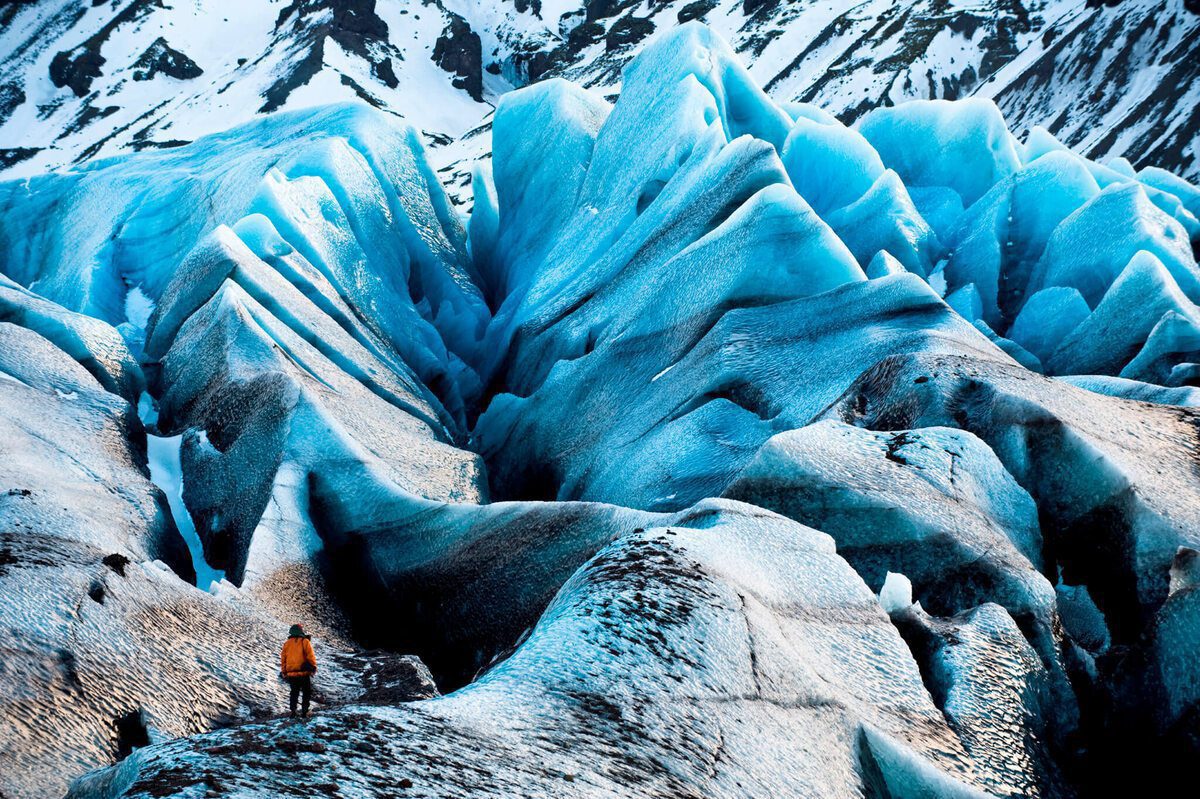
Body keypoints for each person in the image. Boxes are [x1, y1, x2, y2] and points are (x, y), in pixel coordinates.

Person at [279, 623, 317, 718]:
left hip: (291, 674)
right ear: (300, 631)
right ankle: (305, 711)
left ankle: (293, 711)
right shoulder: (305, 641)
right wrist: (313, 667)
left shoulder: (287, 644)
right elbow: (310, 656)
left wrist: (284, 672)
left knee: (294, 692)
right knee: (306, 692)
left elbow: (283, 659)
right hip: (304, 672)